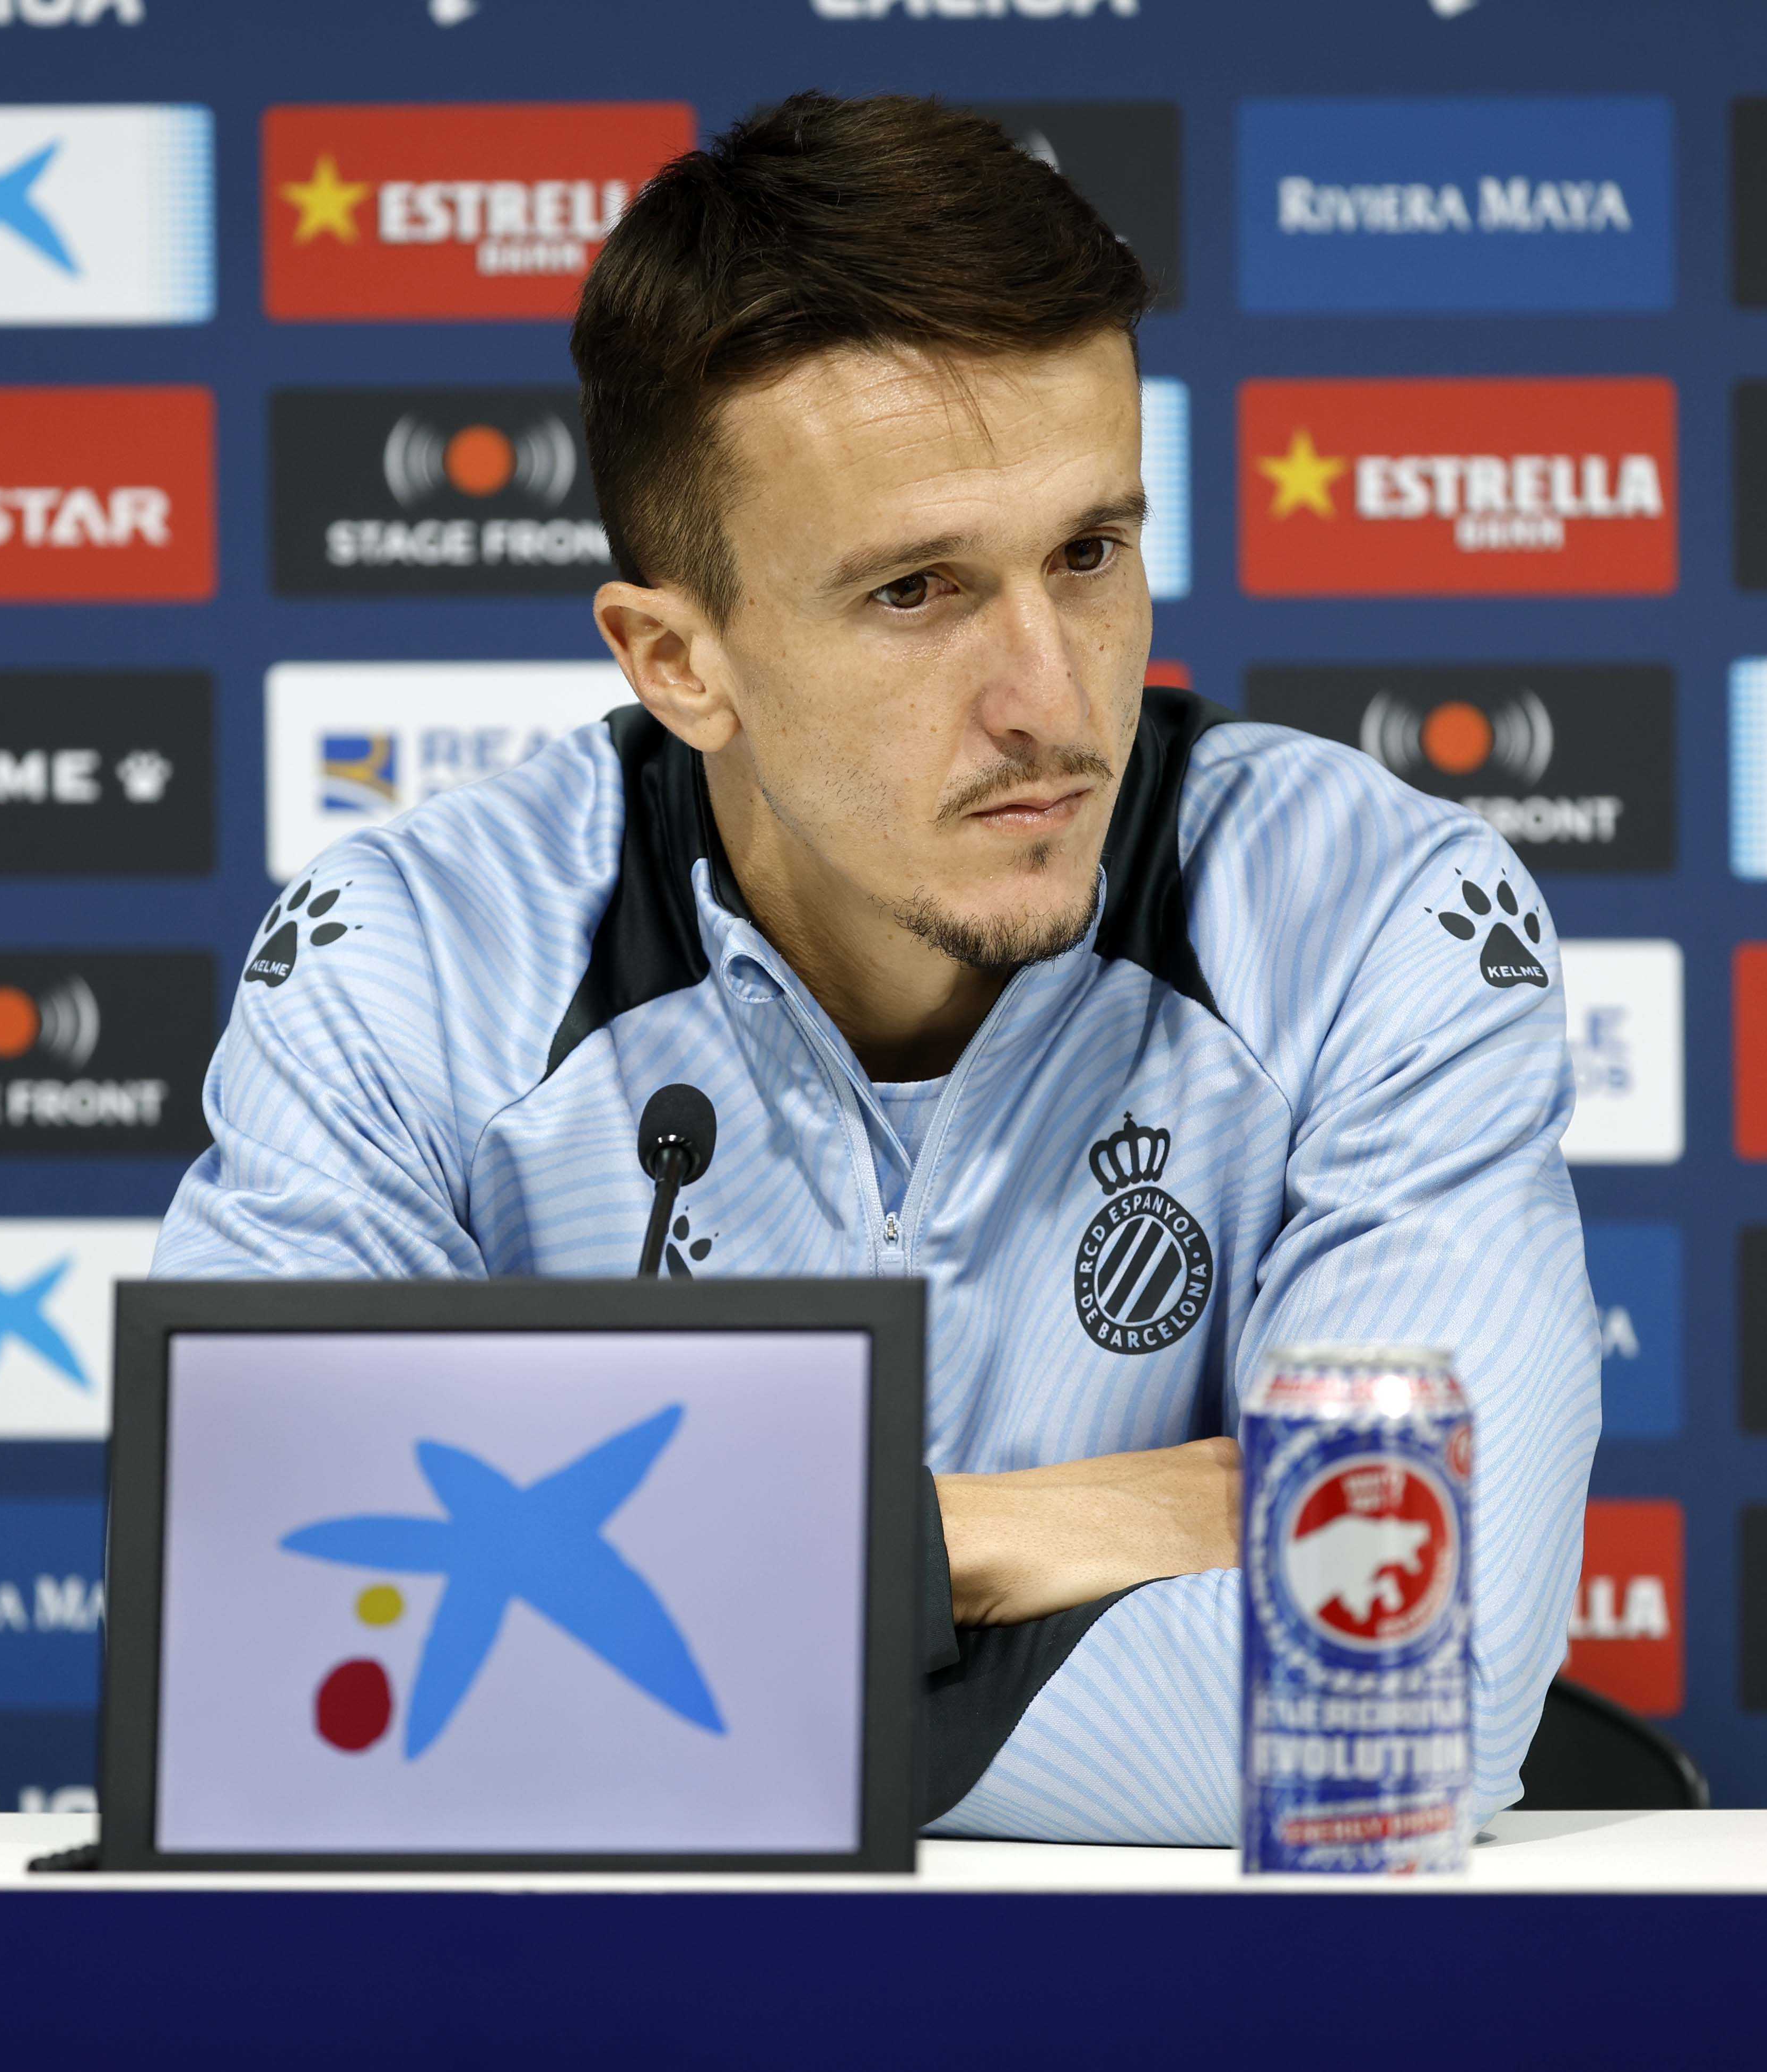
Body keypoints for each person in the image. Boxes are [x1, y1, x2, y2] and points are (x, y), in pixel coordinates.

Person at [155, 91, 1599, 1843]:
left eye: (1090, 553)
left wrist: (598, 1646)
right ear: (678, 661)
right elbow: (275, 1653)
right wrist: (961, 1537)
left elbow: (1405, 1691)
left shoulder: (1371, 916)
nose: (1053, 700)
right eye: (917, 590)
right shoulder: (412, 966)